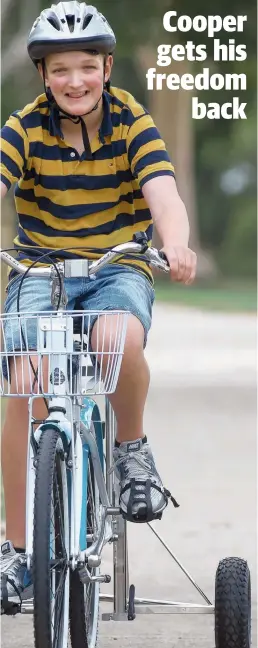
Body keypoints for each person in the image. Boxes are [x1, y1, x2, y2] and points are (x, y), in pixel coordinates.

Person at [0, 1, 196, 609]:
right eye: (61, 70)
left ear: (107, 67)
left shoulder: (131, 122)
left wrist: (177, 242)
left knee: (117, 338)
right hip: (39, 266)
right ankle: (16, 549)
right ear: (43, 75)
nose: (75, 81)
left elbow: (162, 192)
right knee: (22, 376)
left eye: (87, 66)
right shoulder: (23, 128)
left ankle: (131, 452)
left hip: (117, 264)